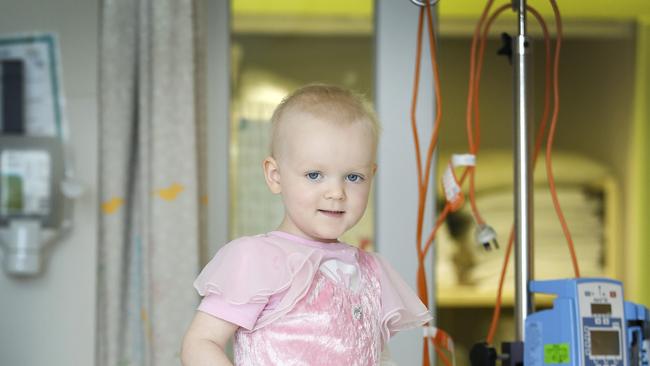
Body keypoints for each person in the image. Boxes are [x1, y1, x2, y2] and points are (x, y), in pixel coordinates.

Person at [181, 84, 431, 365]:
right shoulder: (258, 259)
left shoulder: (371, 272)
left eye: (353, 177)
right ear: (275, 176)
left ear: (371, 177)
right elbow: (203, 342)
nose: (336, 192)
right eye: (314, 175)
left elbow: (375, 356)